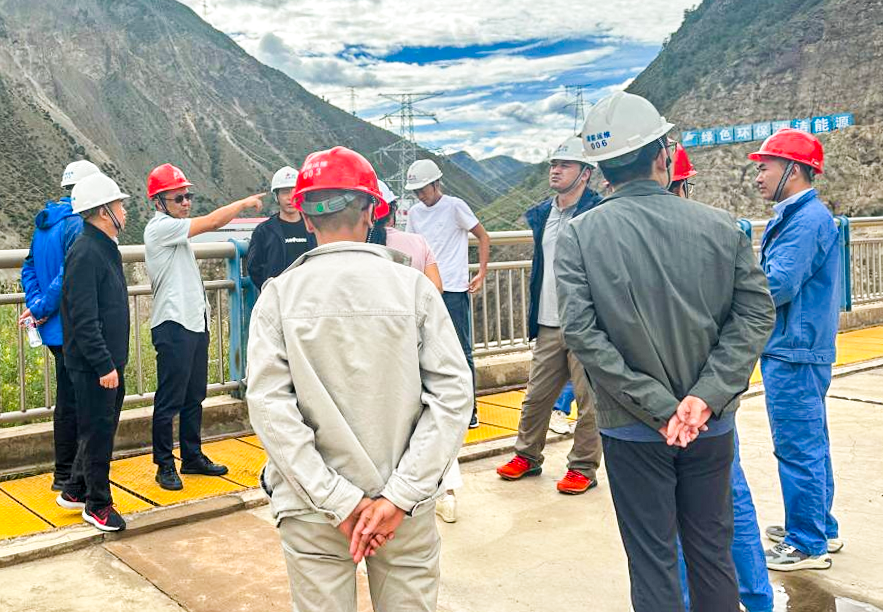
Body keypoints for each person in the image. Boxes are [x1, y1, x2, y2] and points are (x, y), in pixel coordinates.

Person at [555, 91, 775, 612]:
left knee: (652, 559)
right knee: (711, 552)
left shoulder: (580, 235)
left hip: (631, 428)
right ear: (662, 155)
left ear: (601, 169)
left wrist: (657, 406)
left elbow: (581, 333)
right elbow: (755, 314)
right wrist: (704, 397)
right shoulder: (720, 225)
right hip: (709, 425)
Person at [247, 146, 472, 612]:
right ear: (371, 211)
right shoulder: (414, 288)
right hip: (403, 510)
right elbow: (452, 396)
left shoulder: (279, 296)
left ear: (306, 218)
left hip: (313, 510)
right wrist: (400, 495)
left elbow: (269, 408)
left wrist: (338, 500)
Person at [671, 143, 774, 612]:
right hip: (711, 398)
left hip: (675, 406)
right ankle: (754, 598)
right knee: (727, 501)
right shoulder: (717, 232)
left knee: (683, 512)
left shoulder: (631, 239)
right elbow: (750, 312)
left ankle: (703, 599)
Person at [748, 129, 842, 571]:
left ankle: (806, 543)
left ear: (794, 169)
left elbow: (778, 284)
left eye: (765, 167)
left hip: (794, 349)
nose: (758, 176)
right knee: (812, 443)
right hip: (801, 346)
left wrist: (731, 295)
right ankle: (821, 526)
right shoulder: (801, 215)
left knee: (798, 448)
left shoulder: (805, 221)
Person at [144, 163, 264, 490]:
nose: (185, 202)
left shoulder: (174, 229)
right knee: (169, 399)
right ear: (159, 202)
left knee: (193, 395)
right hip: (173, 324)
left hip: (194, 322)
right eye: (178, 198)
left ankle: (192, 456)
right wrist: (243, 203)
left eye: (188, 197)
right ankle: (164, 464)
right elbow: (211, 222)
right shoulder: (159, 228)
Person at [496, 135, 604, 495]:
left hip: (587, 322)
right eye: (553, 165)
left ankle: (583, 467)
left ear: (585, 173)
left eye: (565, 165)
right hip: (548, 322)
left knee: (589, 402)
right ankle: (527, 455)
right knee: (536, 396)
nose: (555, 171)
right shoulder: (544, 214)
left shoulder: (599, 212)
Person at [369, 180, 459, 523]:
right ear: (393, 211)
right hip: (416, 347)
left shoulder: (357, 250)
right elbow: (435, 289)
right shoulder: (416, 243)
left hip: (378, 354)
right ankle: (445, 494)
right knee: (431, 420)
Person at [55, 172, 130, 532]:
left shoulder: (103, 246)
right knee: (98, 433)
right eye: (119, 205)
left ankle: (75, 489)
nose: (124, 211)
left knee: (100, 427)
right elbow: (84, 317)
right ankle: (97, 504)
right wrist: (103, 364)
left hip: (107, 361)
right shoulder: (86, 251)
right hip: (94, 365)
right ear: (103, 212)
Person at [20, 160, 98, 491]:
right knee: (78, 402)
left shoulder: (46, 222)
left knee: (67, 399)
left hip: (52, 328)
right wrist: (42, 307)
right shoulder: (77, 224)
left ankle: (65, 473)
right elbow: (70, 273)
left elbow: (28, 267)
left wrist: (37, 306)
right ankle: (68, 475)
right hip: (72, 325)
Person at [405, 159, 490, 429]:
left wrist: (481, 272)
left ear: (435, 183)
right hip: (426, 288)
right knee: (426, 350)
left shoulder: (455, 206)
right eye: (416, 191)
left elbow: (483, 236)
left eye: (423, 189)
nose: (420, 195)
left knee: (461, 350)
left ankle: (470, 410)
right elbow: (411, 248)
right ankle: (437, 407)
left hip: (453, 289)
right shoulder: (415, 213)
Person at [246, 165, 316, 293]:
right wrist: (270, 290)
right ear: (276, 196)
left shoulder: (314, 227)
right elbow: (254, 268)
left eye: (295, 191)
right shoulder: (264, 231)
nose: (290, 197)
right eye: (285, 192)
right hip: (278, 298)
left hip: (309, 295)